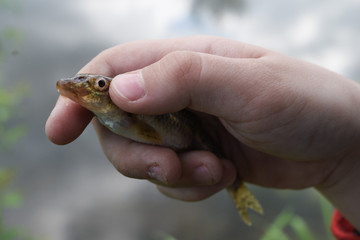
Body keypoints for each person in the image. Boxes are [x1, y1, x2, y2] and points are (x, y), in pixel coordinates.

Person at [45, 36, 360, 239]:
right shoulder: (109, 115)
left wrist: (348, 152)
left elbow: (145, 130)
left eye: (99, 84)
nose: (88, 87)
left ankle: (237, 188)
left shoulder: (130, 106)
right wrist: (344, 163)